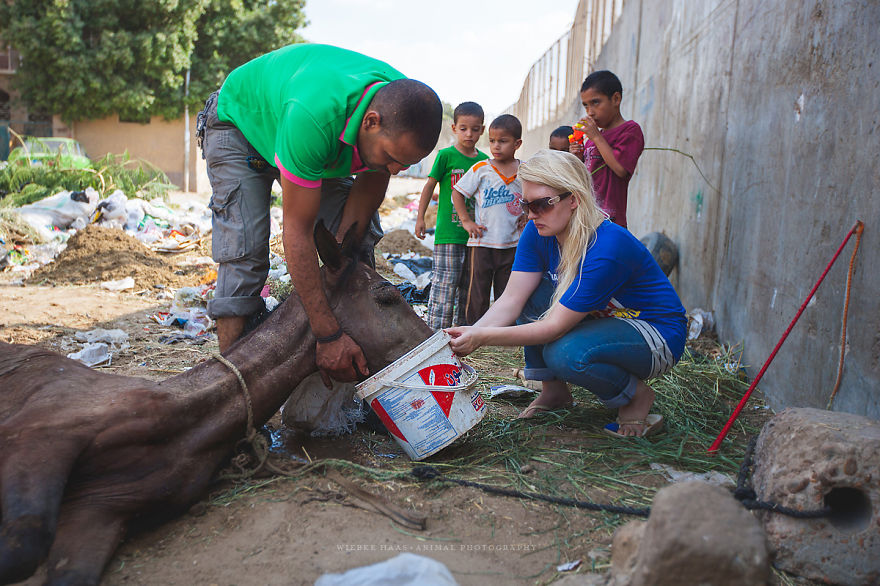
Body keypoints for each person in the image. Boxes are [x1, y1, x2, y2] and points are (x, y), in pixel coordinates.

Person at [198, 43, 442, 384]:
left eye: (406, 164)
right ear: (371, 122)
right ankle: (234, 393)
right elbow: (297, 231)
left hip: (312, 127)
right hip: (241, 125)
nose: (396, 170)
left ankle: (353, 385)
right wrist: (327, 335)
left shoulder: (400, 108)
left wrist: (342, 254)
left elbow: (355, 219)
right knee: (246, 252)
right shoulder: (314, 117)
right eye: (391, 158)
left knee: (355, 250)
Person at [445, 149, 686, 437]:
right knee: (534, 295)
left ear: (574, 199)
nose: (532, 216)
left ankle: (636, 396)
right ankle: (555, 391)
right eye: (526, 205)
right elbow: (511, 299)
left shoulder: (607, 247)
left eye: (542, 205)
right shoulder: (539, 232)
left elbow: (552, 327)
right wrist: (467, 333)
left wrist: (481, 338)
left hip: (654, 334)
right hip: (607, 319)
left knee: (565, 354)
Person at [415, 102, 488, 329]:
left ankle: (460, 334)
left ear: (482, 131)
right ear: (454, 128)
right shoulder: (446, 156)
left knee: (468, 287)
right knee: (445, 284)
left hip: (475, 237)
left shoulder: (485, 161)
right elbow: (429, 187)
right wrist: (421, 218)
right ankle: (436, 334)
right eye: (464, 128)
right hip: (448, 233)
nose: (469, 134)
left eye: (475, 129)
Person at [451, 114, 526, 325]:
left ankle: (503, 331)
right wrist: (466, 221)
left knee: (507, 292)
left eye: (503, 141)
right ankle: (474, 331)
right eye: (492, 141)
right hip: (482, 241)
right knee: (478, 292)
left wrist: (527, 215)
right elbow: (457, 193)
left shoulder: (525, 170)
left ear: (517, 143)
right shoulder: (481, 169)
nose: (496, 146)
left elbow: (532, 196)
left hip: (513, 243)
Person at [568, 70, 644, 228]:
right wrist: (577, 156)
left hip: (610, 220)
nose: (590, 112)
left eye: (596, 103)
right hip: (586, 217)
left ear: (616, 99)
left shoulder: (630, 130)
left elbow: (621, 169)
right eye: (586, 105)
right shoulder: (593, 139)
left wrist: (596, 137)